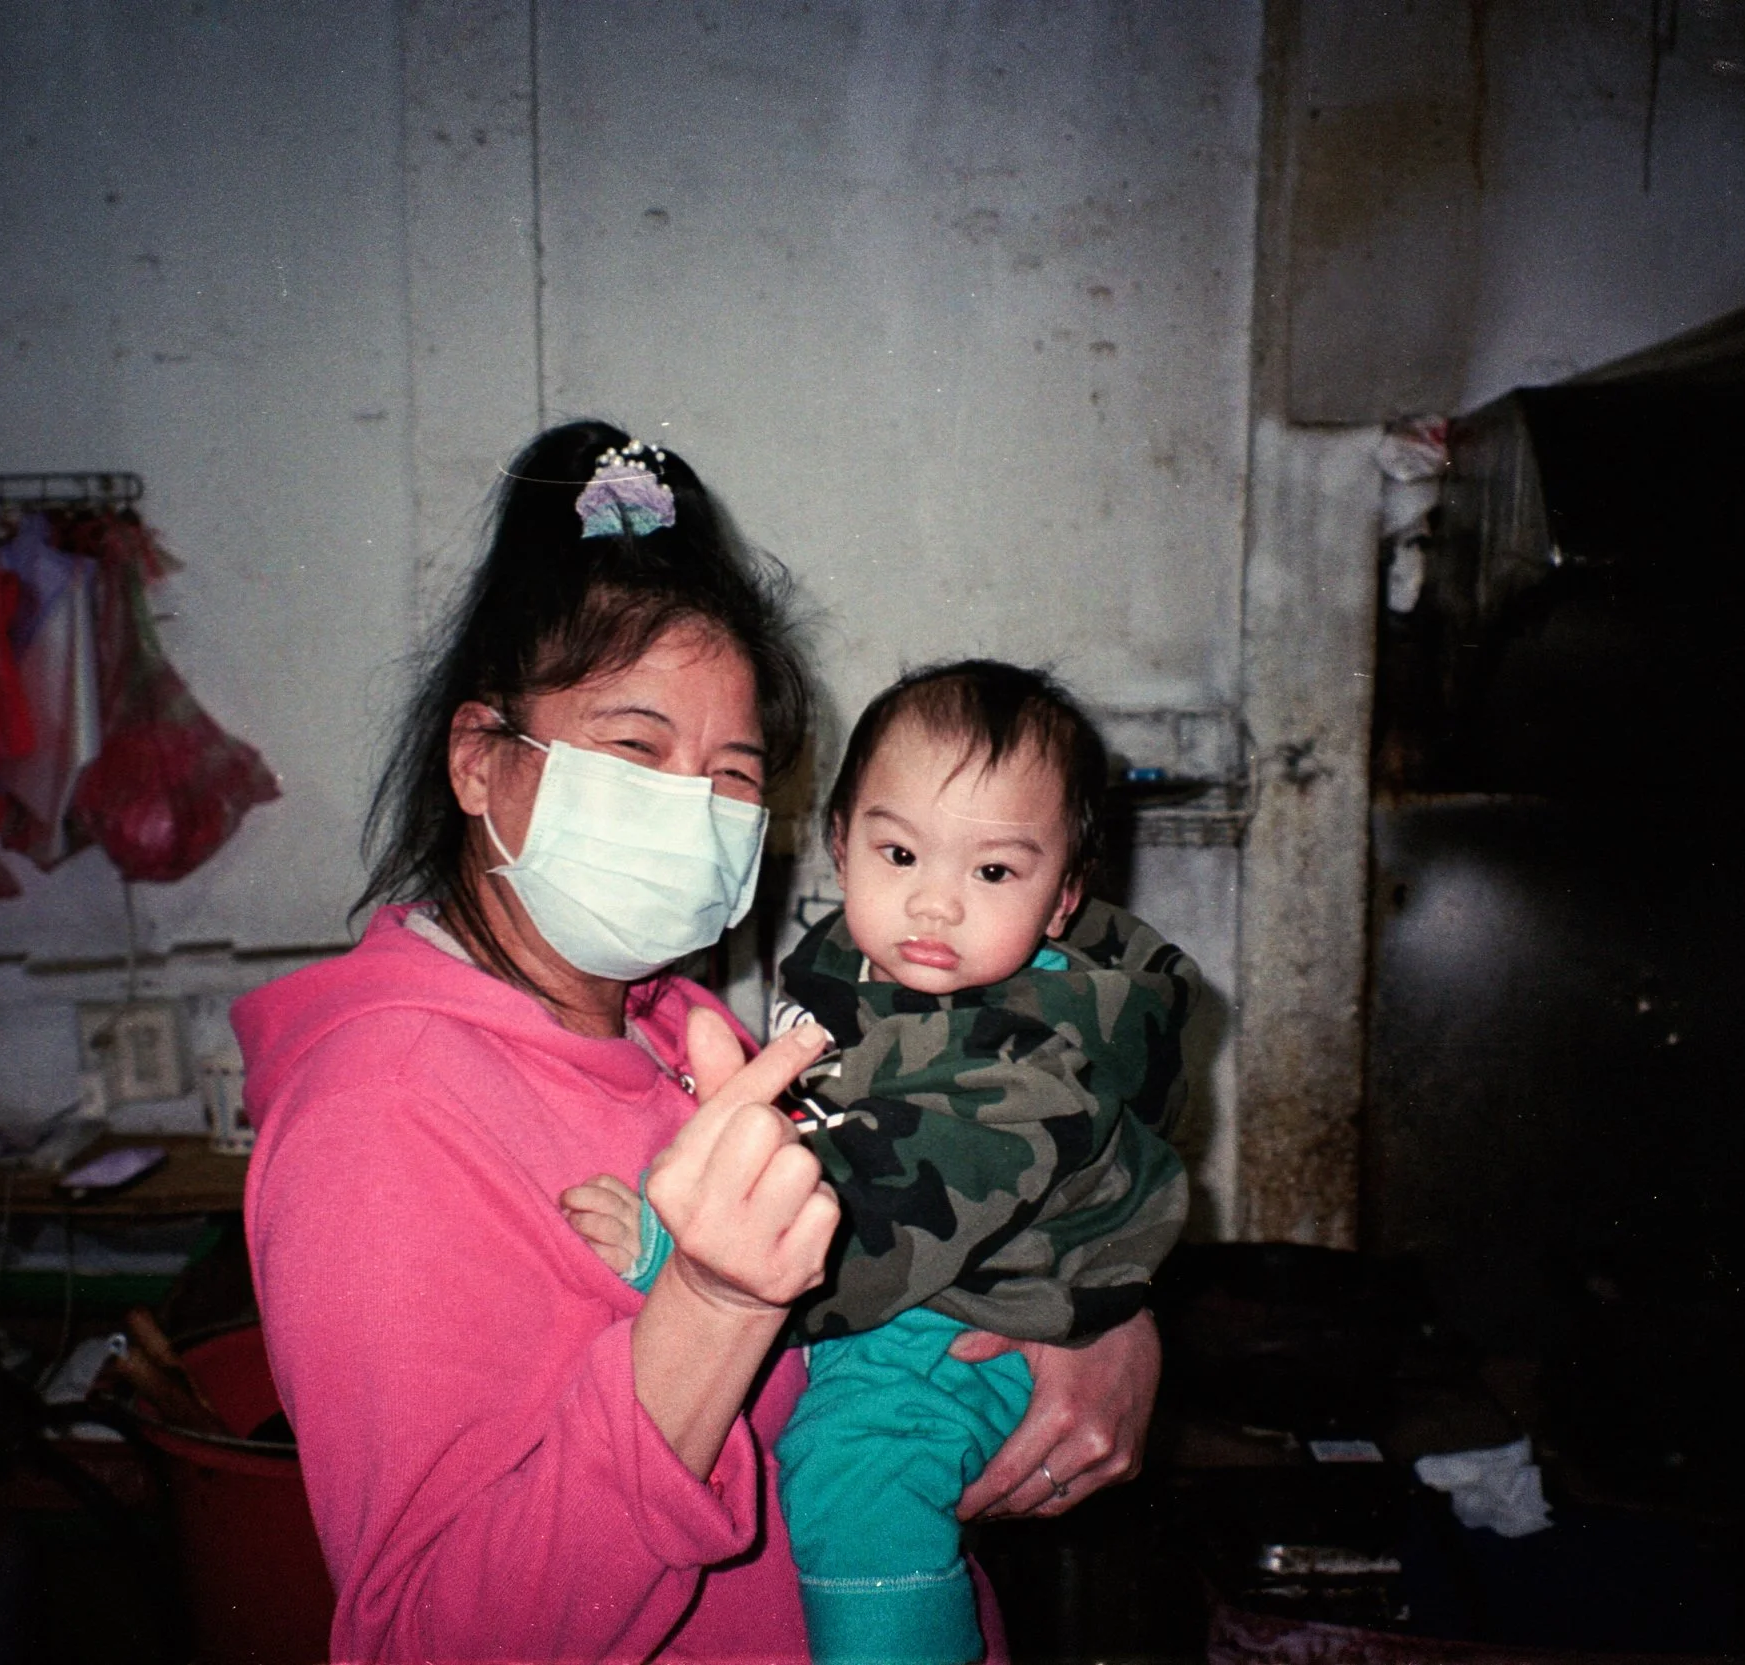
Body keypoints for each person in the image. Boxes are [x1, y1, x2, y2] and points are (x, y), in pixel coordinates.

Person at [234, 423, 1163, 1663]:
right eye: (636, 747)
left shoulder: (683, 1023)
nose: (691, 804)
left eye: (733, 774)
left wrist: (1097, 1317)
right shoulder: (383, 1113)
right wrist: (712, 1304)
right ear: (478, 762)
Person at [564, 661, 1194, 1665]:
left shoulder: (1026, 1055)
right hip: (925, 1299)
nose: (934, 904)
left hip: (964, 1321)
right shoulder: (857, 970)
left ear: (1063, 900)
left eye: (994, 873)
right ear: (840, 843)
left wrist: (671, 1250)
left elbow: (883, 1214)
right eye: (899, 853)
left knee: (852, 1474)